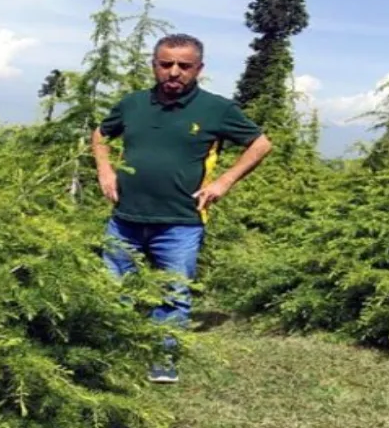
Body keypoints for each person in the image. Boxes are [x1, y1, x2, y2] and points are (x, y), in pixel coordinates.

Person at [92, 33, 272, 383]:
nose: (174, 72)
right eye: (166, 64)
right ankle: (108, 353)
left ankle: (163, 359)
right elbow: (100, 134)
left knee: (173, 293)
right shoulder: (132, 104)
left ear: (198, 69)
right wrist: (105, 169)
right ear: (154, 65)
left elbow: (261, 144)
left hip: (181, 222)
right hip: (124, 218)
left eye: (184, 66)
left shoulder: (216, 109)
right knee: (112, 290)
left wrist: (223, 182)